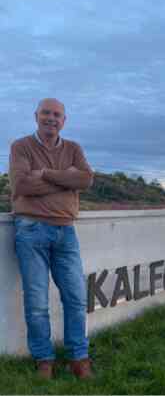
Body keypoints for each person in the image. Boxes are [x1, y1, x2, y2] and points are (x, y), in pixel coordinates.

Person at [9, 98, 94, 379]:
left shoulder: (73, 148)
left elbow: (85, 180)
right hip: (30, 230)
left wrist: (44, 174)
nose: (51, 118)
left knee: (76, 297)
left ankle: (79, 358)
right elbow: (21, 185)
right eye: (46, 113)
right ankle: (44, 359)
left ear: (64, 120)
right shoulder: (20, 147)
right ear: (36, 116)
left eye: (57, 114)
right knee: (37, 302)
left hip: (66, 231)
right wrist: (65, 178)